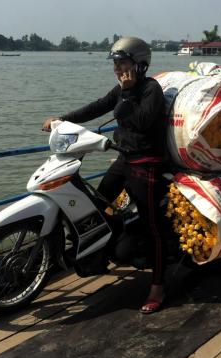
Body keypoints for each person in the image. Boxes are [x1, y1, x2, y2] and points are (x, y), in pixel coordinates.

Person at [42, 37, 168, 314]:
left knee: (152, 226)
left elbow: (141, 121)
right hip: (125, 159)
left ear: (138, 64)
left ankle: (158, 287)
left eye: (122, 63)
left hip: (148, 164)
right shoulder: (123, 89)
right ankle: (103, 254)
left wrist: (127, 93)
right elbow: (98, 106)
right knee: (99, 206)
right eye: (115, 63)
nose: (117, 68)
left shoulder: (150, 90)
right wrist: (61, 119)